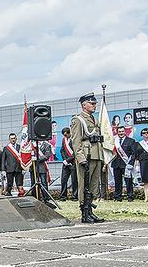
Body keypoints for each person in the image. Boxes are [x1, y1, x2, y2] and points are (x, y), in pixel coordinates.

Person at [70, 93, 105, 223]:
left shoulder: (93, 119)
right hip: (86, 155)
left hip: (96, 154)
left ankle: (90, 211)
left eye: (95, 103)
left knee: (93, 185)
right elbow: (76, 141)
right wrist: (81, 158)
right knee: (84, 184)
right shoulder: (78, 120)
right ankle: (84, 212)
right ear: (84, 105)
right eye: (91, 103)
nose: (94, 105)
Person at [110, 126, 137, 202]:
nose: (121, 133)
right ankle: (118, 197)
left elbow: (134, 153)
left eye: (122, 131)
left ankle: (130, 196)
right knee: (117, 181)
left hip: (126, 164)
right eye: (119, 132)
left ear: (125, 132)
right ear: (117, 132)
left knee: (128, 181)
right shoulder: (114, 141)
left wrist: (130, 164)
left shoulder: (131, 141)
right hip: (116, 164)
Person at [59, 128, 78, 200]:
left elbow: (76, 152)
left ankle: (75, 196)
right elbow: (62, 150)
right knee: (63, 180)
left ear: (69, 133)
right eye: (64, 135)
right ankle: (63, 196)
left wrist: (68, 160)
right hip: (66, 163)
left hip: (73, 163)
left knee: (74, 180)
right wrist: (65, 160)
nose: (65, 136)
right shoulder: (64, 140)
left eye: (66, 134)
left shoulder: (74, 139)